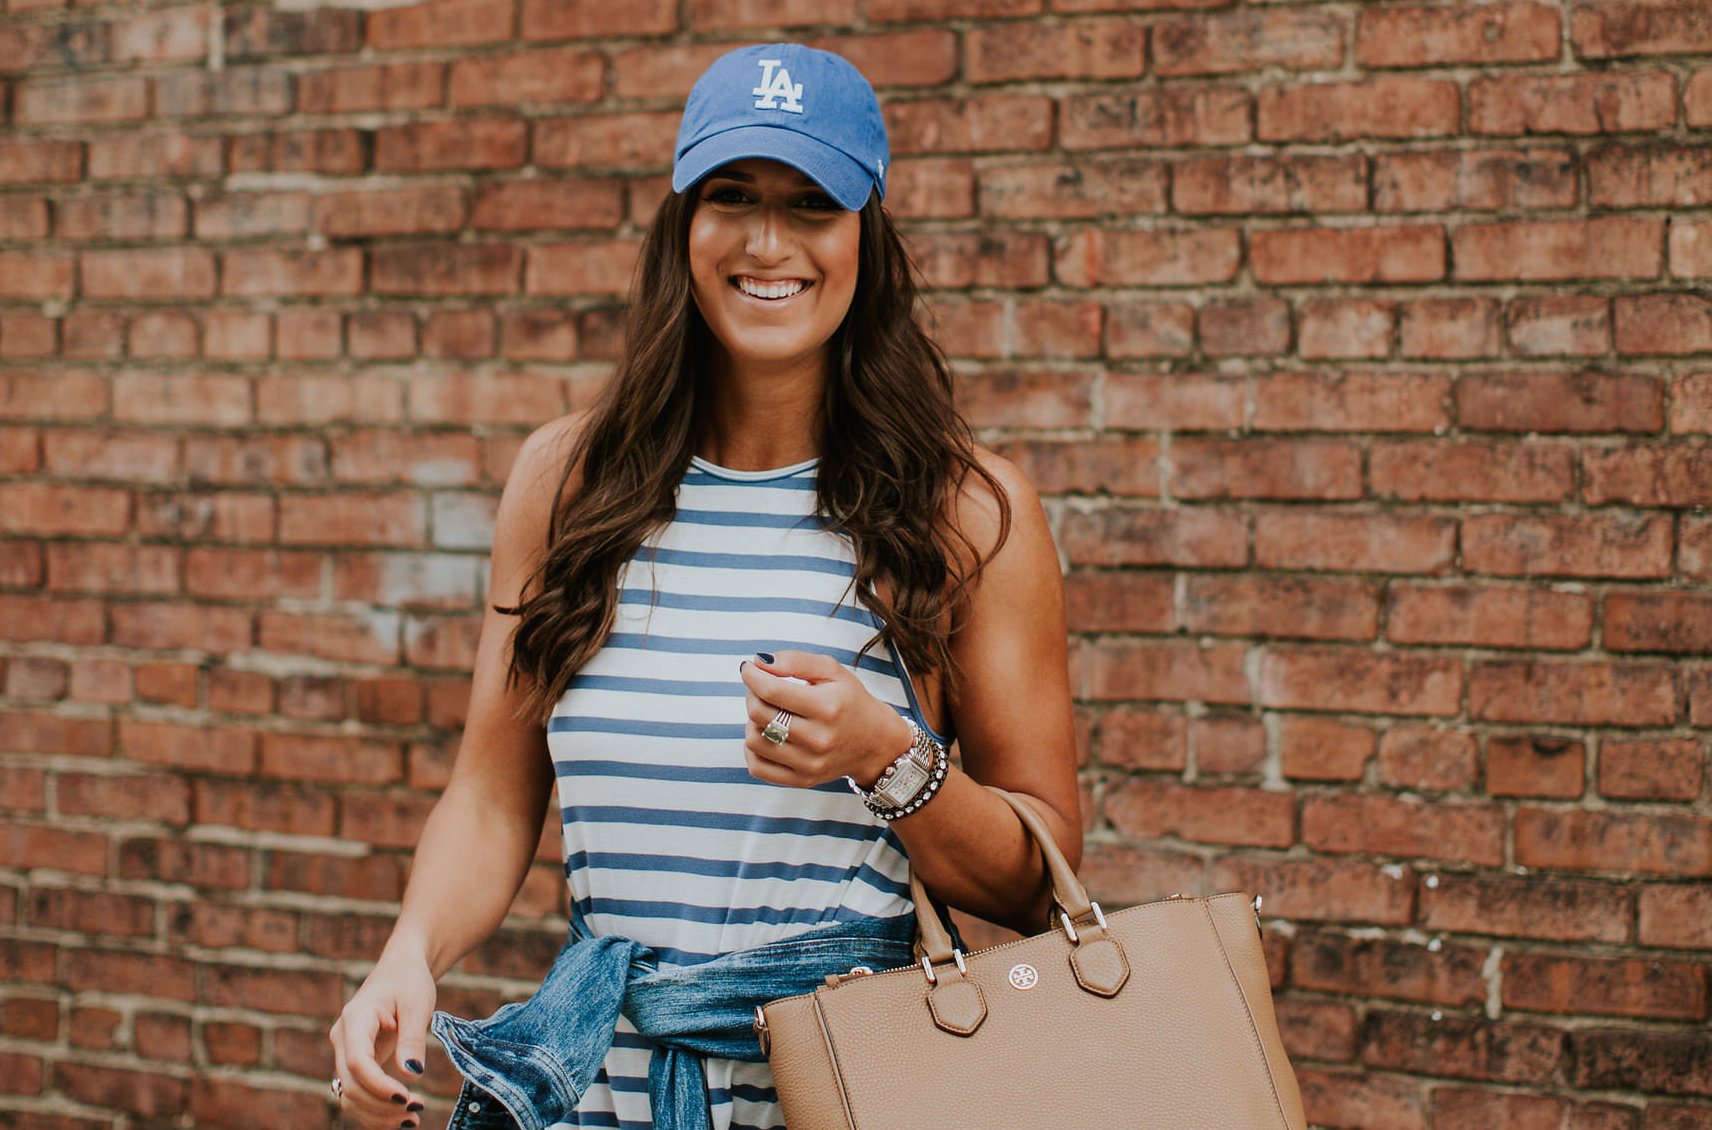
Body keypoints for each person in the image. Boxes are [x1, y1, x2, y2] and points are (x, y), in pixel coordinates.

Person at [327, 42, 1080, 1130]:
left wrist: (883, 753)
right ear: (682, 224)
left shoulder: (963, 510)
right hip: (598, 1094)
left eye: (811, 203)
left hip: (842, 1093)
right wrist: (409, 952)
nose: (768, 242)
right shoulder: (565, 482)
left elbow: (1037, 877)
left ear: (865, 234)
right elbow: (491, 798)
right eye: (732, 196)